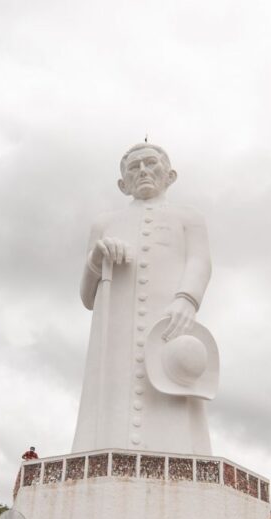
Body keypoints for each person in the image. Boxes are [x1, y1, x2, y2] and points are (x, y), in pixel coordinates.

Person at [72, 142, 214, 456]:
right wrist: (96, 259)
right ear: (122, 184)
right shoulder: (104, 223)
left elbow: (200, 261)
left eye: (151, 163)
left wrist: (187, 298)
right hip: (115, 334)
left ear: (170, 175)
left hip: (168, 322)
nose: (143, 171)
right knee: (114, 396)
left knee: (172, 393)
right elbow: (87, 297)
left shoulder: (188, 216)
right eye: (134, 168)